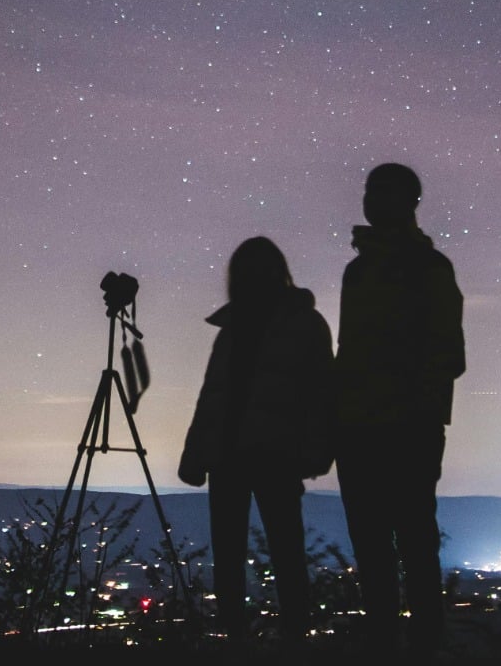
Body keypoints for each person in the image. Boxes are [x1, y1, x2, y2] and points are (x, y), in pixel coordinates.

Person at [332, 162, 466, 659]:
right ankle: (389, 648)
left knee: (410, 546)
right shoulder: (361, 271)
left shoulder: (428, 269)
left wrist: (398, 400)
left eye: (382, 193)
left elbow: (448, 355)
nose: (371, 202)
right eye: (370, 192)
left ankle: (419, 648)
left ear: (409, 202)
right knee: (379, 549)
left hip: (404, 429)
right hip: (364, 429)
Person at [178, 236, 334, 652]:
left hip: (270, 454)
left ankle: (285, 636)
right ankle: (246, 637)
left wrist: (315, 450)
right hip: (240, 454)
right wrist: (196, 454)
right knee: (250, 551)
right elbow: (212, 397)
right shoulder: (240, 329)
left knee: (279, 549)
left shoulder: (298, 324)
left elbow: (321, 392)